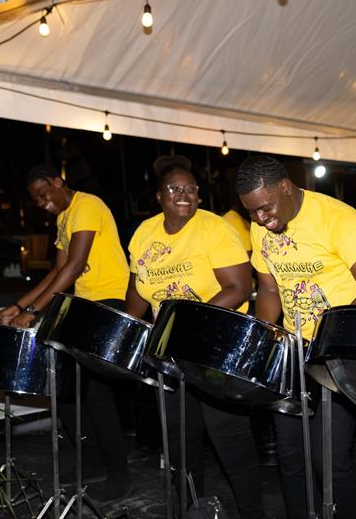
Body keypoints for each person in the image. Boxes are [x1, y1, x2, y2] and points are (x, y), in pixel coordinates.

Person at [236, 155, 356, 519]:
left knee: (330, 460)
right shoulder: (261, 226)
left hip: (337, 351)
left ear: (286, 187)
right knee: (291, 457)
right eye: (252, 212)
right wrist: (265, 339)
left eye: (265, 207)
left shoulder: (337, 217)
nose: (260, 219)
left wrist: (329, 336)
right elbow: (270, 291)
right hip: (293, 350)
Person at [123, 155, 264, 519]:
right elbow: (138, 292)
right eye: (174, 188)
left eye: (190, 189)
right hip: (169, 354)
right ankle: (191, 510)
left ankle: (252, 512)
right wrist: (126, 327)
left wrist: (184, 323)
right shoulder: (144, 234)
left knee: (228, 436)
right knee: (180, 442)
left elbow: (238, 287)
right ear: (159, 196)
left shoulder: (214, 228)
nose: (183, 194)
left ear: (198, 194)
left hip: (214, 347)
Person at [0, 164, 132, 501]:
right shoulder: (63, 219)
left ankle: (120, 473)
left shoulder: (87, 205)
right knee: (68, 392)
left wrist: (33, 311)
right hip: (83, 304)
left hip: (109, 299)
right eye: (35, 200)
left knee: (98, 395)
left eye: (43, 194)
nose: (42, 203)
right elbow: (57, 270)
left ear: (58, 183)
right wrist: (18, 305)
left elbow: (73, 266)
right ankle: (92, 462)